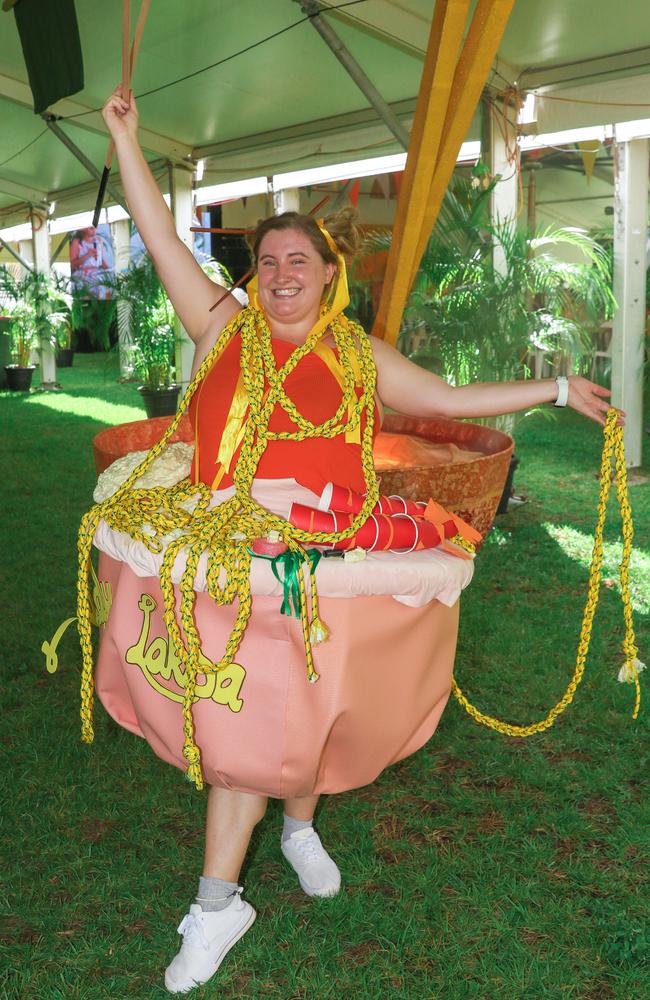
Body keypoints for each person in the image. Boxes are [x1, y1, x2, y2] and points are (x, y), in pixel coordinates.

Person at [98, 86, 619, 994]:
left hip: (334, 557)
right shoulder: (220, 330)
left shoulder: (359, 356)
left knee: (312, 706)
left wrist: (554, 389)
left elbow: (451, 403)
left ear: (330, 275)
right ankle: (218, 905)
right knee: (251, 728)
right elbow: (157, 233)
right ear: (252, 276)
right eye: (268, 261)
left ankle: (298, 830)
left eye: (300, 259)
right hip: (235, 554)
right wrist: (126, 141)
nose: (283, 273)